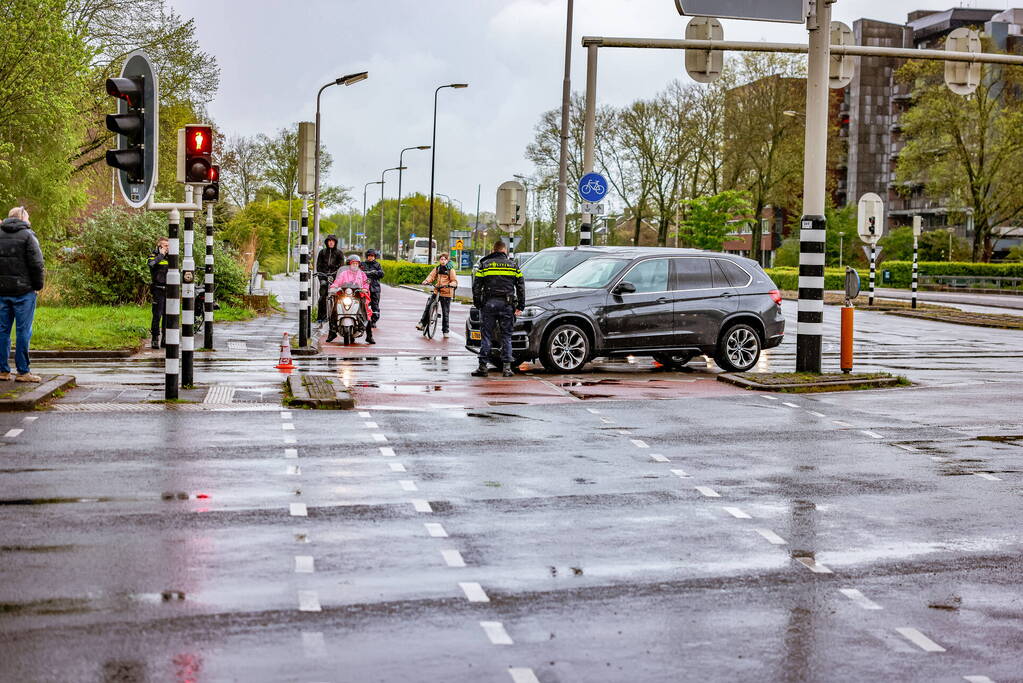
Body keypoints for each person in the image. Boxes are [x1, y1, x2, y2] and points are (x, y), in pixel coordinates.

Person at [0, 206, 45, 383]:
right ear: (21, 218)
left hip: (2, 292)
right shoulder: (28, 236)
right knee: (23, 331)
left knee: (2, 331)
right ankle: (23, 371)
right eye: (28, 217)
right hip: (24, 292)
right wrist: (37, 286)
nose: (30, 221)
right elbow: (37, 264)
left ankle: (3, 371)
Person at [471, 240, 524, 378]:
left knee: (487, 336)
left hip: (489, 304)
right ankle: (507, 368)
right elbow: (520, 286)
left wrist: (478, 304)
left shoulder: (485, 265)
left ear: (493, 250)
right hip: (507, 305)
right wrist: (520, 306)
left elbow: (476, 287)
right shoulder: (513, 266)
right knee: (506, 336)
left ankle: (483, 367)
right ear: (504, 251)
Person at [327, 254, 374, 344]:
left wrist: (365, 288)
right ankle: (332, 332)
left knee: (367, 310)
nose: (355, 265)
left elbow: (365, 283)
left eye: (357, 263)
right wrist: (333, 287)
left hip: (357, 295)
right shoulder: (344, 273)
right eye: (353, 263)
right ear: (349, 264)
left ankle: (369, 336)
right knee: (334, 309)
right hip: (343, 295)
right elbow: (337, 282)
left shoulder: (362, 274)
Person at [417, 253, 457, 338]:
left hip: (446, 292)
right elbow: (431, 276)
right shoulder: (438, 268)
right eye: (441, 259)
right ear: (439, 260)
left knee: (445, 312)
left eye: (444, 259)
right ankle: (422, 323)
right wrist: (426, 281)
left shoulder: (451, 270)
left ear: (447, 260)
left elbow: (454, 280)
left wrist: (452, 284)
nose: (443, 261)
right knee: (428, 306)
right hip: (437, 290)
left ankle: (445, 331)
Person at [315, 234, 344, 323]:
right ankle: (321, 317)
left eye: (333, 241)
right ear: (327, 242)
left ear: (335, 242)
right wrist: (321, 277)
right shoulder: (322, 252)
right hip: (324, 276)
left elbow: (342, 266)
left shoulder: (339, 253)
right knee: (323, 296)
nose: (331, 242)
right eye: (329, 241)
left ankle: (338, 315)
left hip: (335, 278)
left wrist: (338, 277)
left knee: (339, 296)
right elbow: (318, 266)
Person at [147, 237, 169, 349]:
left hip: (169, 290)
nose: (167, 248)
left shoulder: (171, 257)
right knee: (157, 314)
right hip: (158, 289)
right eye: (165, 245)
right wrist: (161, 255)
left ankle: (165, 338)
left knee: (167, 315)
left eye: (168, 246)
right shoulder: (153, 256)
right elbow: (151, 265)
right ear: (159, 246)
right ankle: (155, 338)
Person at [361, 249, 384, 325]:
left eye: (372, 256)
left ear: (375, 257)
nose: (370, 257)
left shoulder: (377, 265)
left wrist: (374, 272)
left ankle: (374, 321)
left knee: (375, 305)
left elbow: (381, 274)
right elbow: (358, 273)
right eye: (369, 256)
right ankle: (362, 319)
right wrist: (368, 273)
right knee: (363, 304)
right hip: (364, 288)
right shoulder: (362, 264)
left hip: (375, 288)